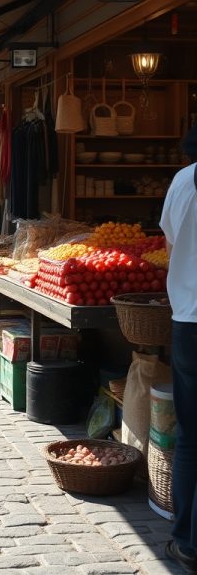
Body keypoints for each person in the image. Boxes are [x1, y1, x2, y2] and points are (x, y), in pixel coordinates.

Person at [160, 124, 197, 573]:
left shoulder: (183, 181)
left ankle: (187, 541)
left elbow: (170, 245)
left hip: (188, 318)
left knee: (190, 435)